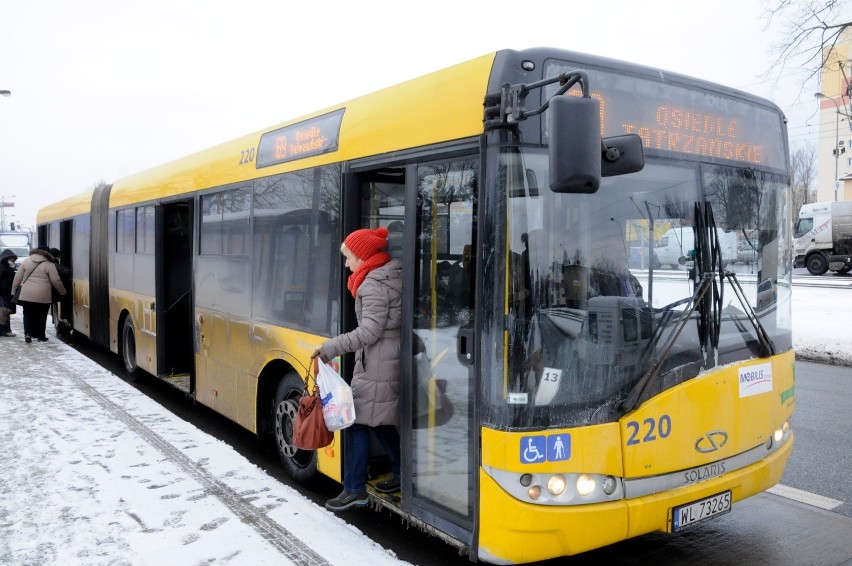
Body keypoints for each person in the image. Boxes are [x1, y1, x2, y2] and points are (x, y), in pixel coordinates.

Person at [311, 226, 403, 512]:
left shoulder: (372, 285)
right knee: (381, 420)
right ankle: (402, 475)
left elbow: (369, 332)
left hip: (378, 363)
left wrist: (329, 348)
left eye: (349, 257)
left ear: (363, 257)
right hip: (387, 359)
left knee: (356, 423)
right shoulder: (390, 275)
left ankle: (354, 490)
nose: (347, 263)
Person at [11, 245, 66, 343]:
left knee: (27, 314)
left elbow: (17, 278)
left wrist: (13, 291)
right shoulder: (49, 264)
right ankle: (41, 336)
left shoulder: (26, 261)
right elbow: (56, 280)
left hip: (26, 294)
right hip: (43, 294)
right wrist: (62, 292)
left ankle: (27, 334)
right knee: (41, 315)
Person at [48, 247, 73, 334]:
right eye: (58, 256)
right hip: (52, 290)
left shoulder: (46, 263)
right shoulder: (52, 264)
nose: (59, 258)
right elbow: (63, 272)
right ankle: (65, 320)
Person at [0, 248, 18, 337]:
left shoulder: (8, 267)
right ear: (6, 259)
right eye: (11, 259)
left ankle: (4, 330)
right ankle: (6, 330)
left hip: (8, 293)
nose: (12, 260)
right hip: (3, 294)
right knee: (4, 312)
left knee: (4, 312)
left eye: (13, 259)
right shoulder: (2, 267)